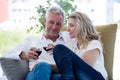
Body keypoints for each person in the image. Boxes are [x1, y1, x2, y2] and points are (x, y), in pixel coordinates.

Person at [3, 6, 71, 80]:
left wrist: (59, 51)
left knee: (59, 78)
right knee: (43, 66)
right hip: (36, 74)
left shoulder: (68, 40)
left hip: (58, 75)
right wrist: (25, 55)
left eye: (58, 24)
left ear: (62, 25)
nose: (54, 27)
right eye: (51, 22)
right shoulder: (33, 40)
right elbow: (6, 54)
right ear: (45, 21)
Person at [53, 12, 108, 80]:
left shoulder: (94, 43)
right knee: (54, 77)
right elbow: (66, 68)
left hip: (95, 77)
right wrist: (46, 66)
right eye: (68, 25)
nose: (68, 29)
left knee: (59, 48)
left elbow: (84, 67)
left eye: (71, 25)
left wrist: (61, 55)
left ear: (81, 26)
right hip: (77, 77)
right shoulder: (71, 45)